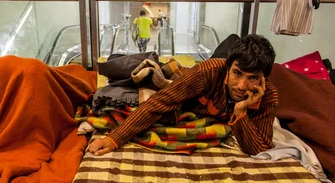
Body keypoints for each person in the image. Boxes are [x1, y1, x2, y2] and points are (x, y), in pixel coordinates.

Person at [89, 34, 278, 156]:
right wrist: (115, 138)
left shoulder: (267, 95)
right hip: (195, 80)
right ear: (229, 69)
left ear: (264, 78)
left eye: (253, 77)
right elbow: (160, 102)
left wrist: (240, 112)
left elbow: (260, 149)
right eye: (237, 73)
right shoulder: (207, 72)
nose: (242, 86)